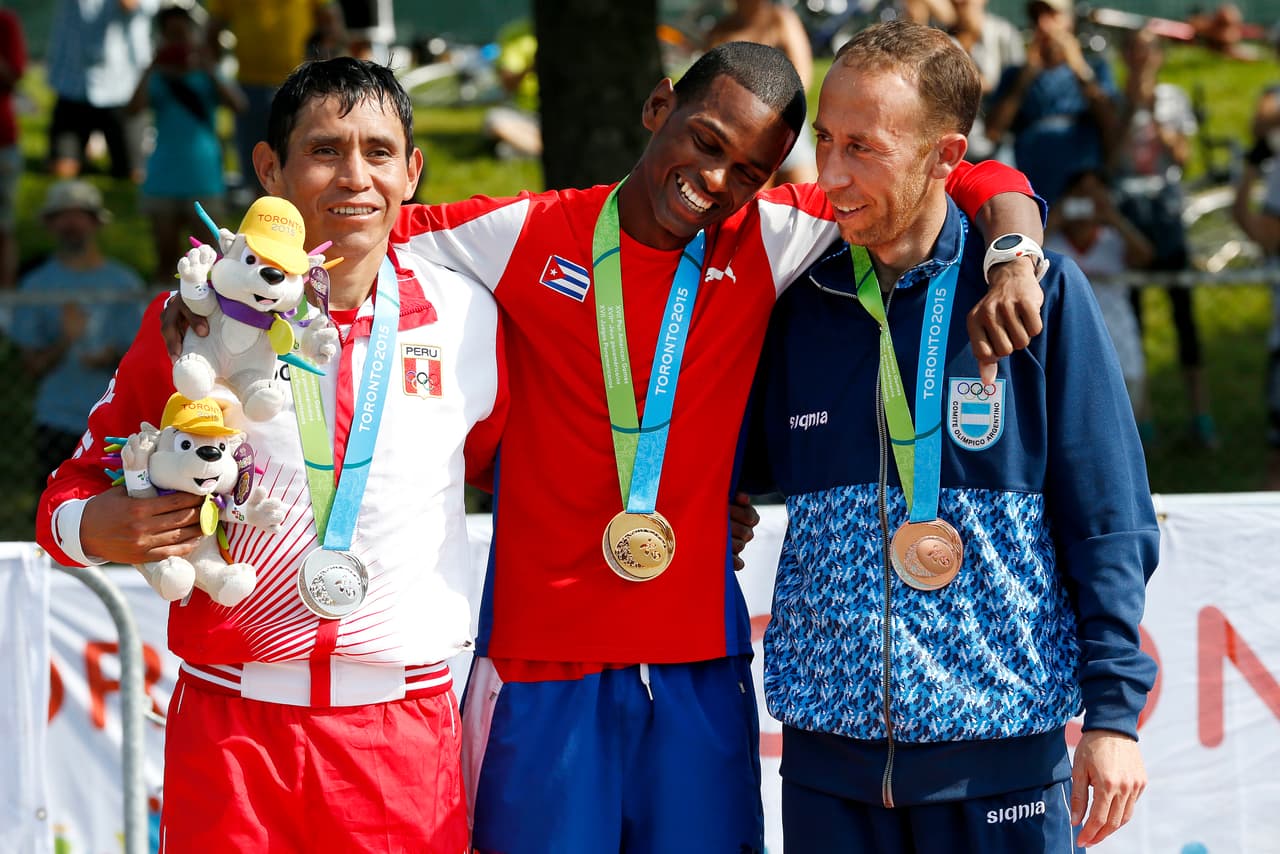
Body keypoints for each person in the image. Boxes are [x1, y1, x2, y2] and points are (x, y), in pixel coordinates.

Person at [381, 40, 1047, 853]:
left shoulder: (767, 233)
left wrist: (1015, 253)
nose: (717, 181)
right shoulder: (523, 229)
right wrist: (202, 312)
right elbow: (351, 228)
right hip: (541, 664)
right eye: (706, 141)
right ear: (658, 108)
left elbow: (963, 174)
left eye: (750, 169)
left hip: (699, 665)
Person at [35, 59, 503, 850]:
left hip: (400, 738)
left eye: (379, 152)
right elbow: (65, 498)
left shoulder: (470, 320)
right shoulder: (194, 322)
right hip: (231, 735)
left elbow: (512, 464)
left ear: (413, 172)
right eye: (324, 150)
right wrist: (95, 529)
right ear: (268, 169)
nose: (355, 176)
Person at [745, 21, 1155, 853]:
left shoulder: (1037, 296)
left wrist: (1114, 717)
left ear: (945, 155)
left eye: (863, 147)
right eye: (825, 142)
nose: (830, 174)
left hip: (1000, 766)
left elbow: (1108, 517)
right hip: (828, 773)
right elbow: (737, 467)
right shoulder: (798, 300)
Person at [1113, 26, 1216, 448]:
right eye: (1134, 53)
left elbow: (1182, 156)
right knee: (1132, 320)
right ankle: (1143, 418)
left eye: (1148, 52)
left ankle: (1201, 413)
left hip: (1167, 214)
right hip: (1130, 216)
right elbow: (1111, 153)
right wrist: (1131, 106)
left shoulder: (1172, 97)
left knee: (1183, 315)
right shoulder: (1114, 99)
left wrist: (1153, 110)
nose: (1142, 60)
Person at [11, 180, 144, 497]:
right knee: (54, 511)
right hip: (57, 420)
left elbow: (145, 362)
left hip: (117, 426)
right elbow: (31, 367)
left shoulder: (127, 283)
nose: (71, 224)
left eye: (79, 215)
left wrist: (111, 357)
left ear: (96, 222)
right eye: (62, 216)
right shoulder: (35, 285)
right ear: (50, 224)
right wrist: (65, 342)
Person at [127, 3, 246, 287]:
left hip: (204, 177)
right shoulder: (157, 77)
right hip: (163, 177)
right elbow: (132, 110)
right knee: (166, 259)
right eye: (172, 35)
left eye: (183, 33)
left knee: (212, 260)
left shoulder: (207, 75)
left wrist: (209, 68)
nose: (178, 41)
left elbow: (239, 105)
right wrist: (152, 68)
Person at [1046, 169, 1154, 436]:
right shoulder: (1051, 243)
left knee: (1126, 428)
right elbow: (1026, 252)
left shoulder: (1113, 240)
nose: (1087, 200)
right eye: (1079, 194)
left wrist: (1113, 219)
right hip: (1067, 346)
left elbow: (1146, 256)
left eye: (1094, 193)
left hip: (1120, 347)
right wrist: (1055, 219)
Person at [985, 0, 1120, 205]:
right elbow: (993, 132)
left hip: (1080, 186)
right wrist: (1025, 77)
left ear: (1070, 20)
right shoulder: (1015, 75)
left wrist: (1079, 68)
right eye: (1036, 17)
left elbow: (1112, 124)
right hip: (1033, 184)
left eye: (1052, 15)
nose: (1043, 24)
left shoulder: (1095, 68)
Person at [205, 0, 342, 197]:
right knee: (258, 168)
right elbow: (213, 27)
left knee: (304, 159)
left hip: (299, 83)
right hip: (249, 86)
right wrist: (215, 72)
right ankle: (263, 220)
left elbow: (330, 20)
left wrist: (322, 68)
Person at [706, 0, 817, 185]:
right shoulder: (720, 31)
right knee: (753, 199)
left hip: (784, 119)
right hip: (739, 127)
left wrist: (771, 112)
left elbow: (803, 75)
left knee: (807, 196)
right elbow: (711, 85)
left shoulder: (781, 20)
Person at [46, 0, 158, 180]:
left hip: (123, 89)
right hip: (74, 84)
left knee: (134, 174)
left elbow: (130, 5)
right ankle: (89, 148)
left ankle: (101, 147)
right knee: (62, 169)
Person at [0, 3, 26, 291]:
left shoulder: (5, 22)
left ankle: (5, 301)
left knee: (3, 227)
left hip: (2, 141)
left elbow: (14, 75)